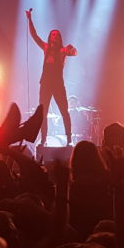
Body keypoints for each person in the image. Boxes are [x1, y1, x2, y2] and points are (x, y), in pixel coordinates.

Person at [26, 8, 78, 146]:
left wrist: (72, 49)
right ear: (50, 37)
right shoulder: (46, 48)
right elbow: (35, 36)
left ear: (59, 38)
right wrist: (30, 19)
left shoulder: (62, 51)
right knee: (42, 113)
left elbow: (75, 53)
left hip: (58, 85)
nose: (55, 36)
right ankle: (43, 139)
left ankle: (69, 138)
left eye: (57, 35)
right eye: (53, 35)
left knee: (64, 112)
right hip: (45, 84)